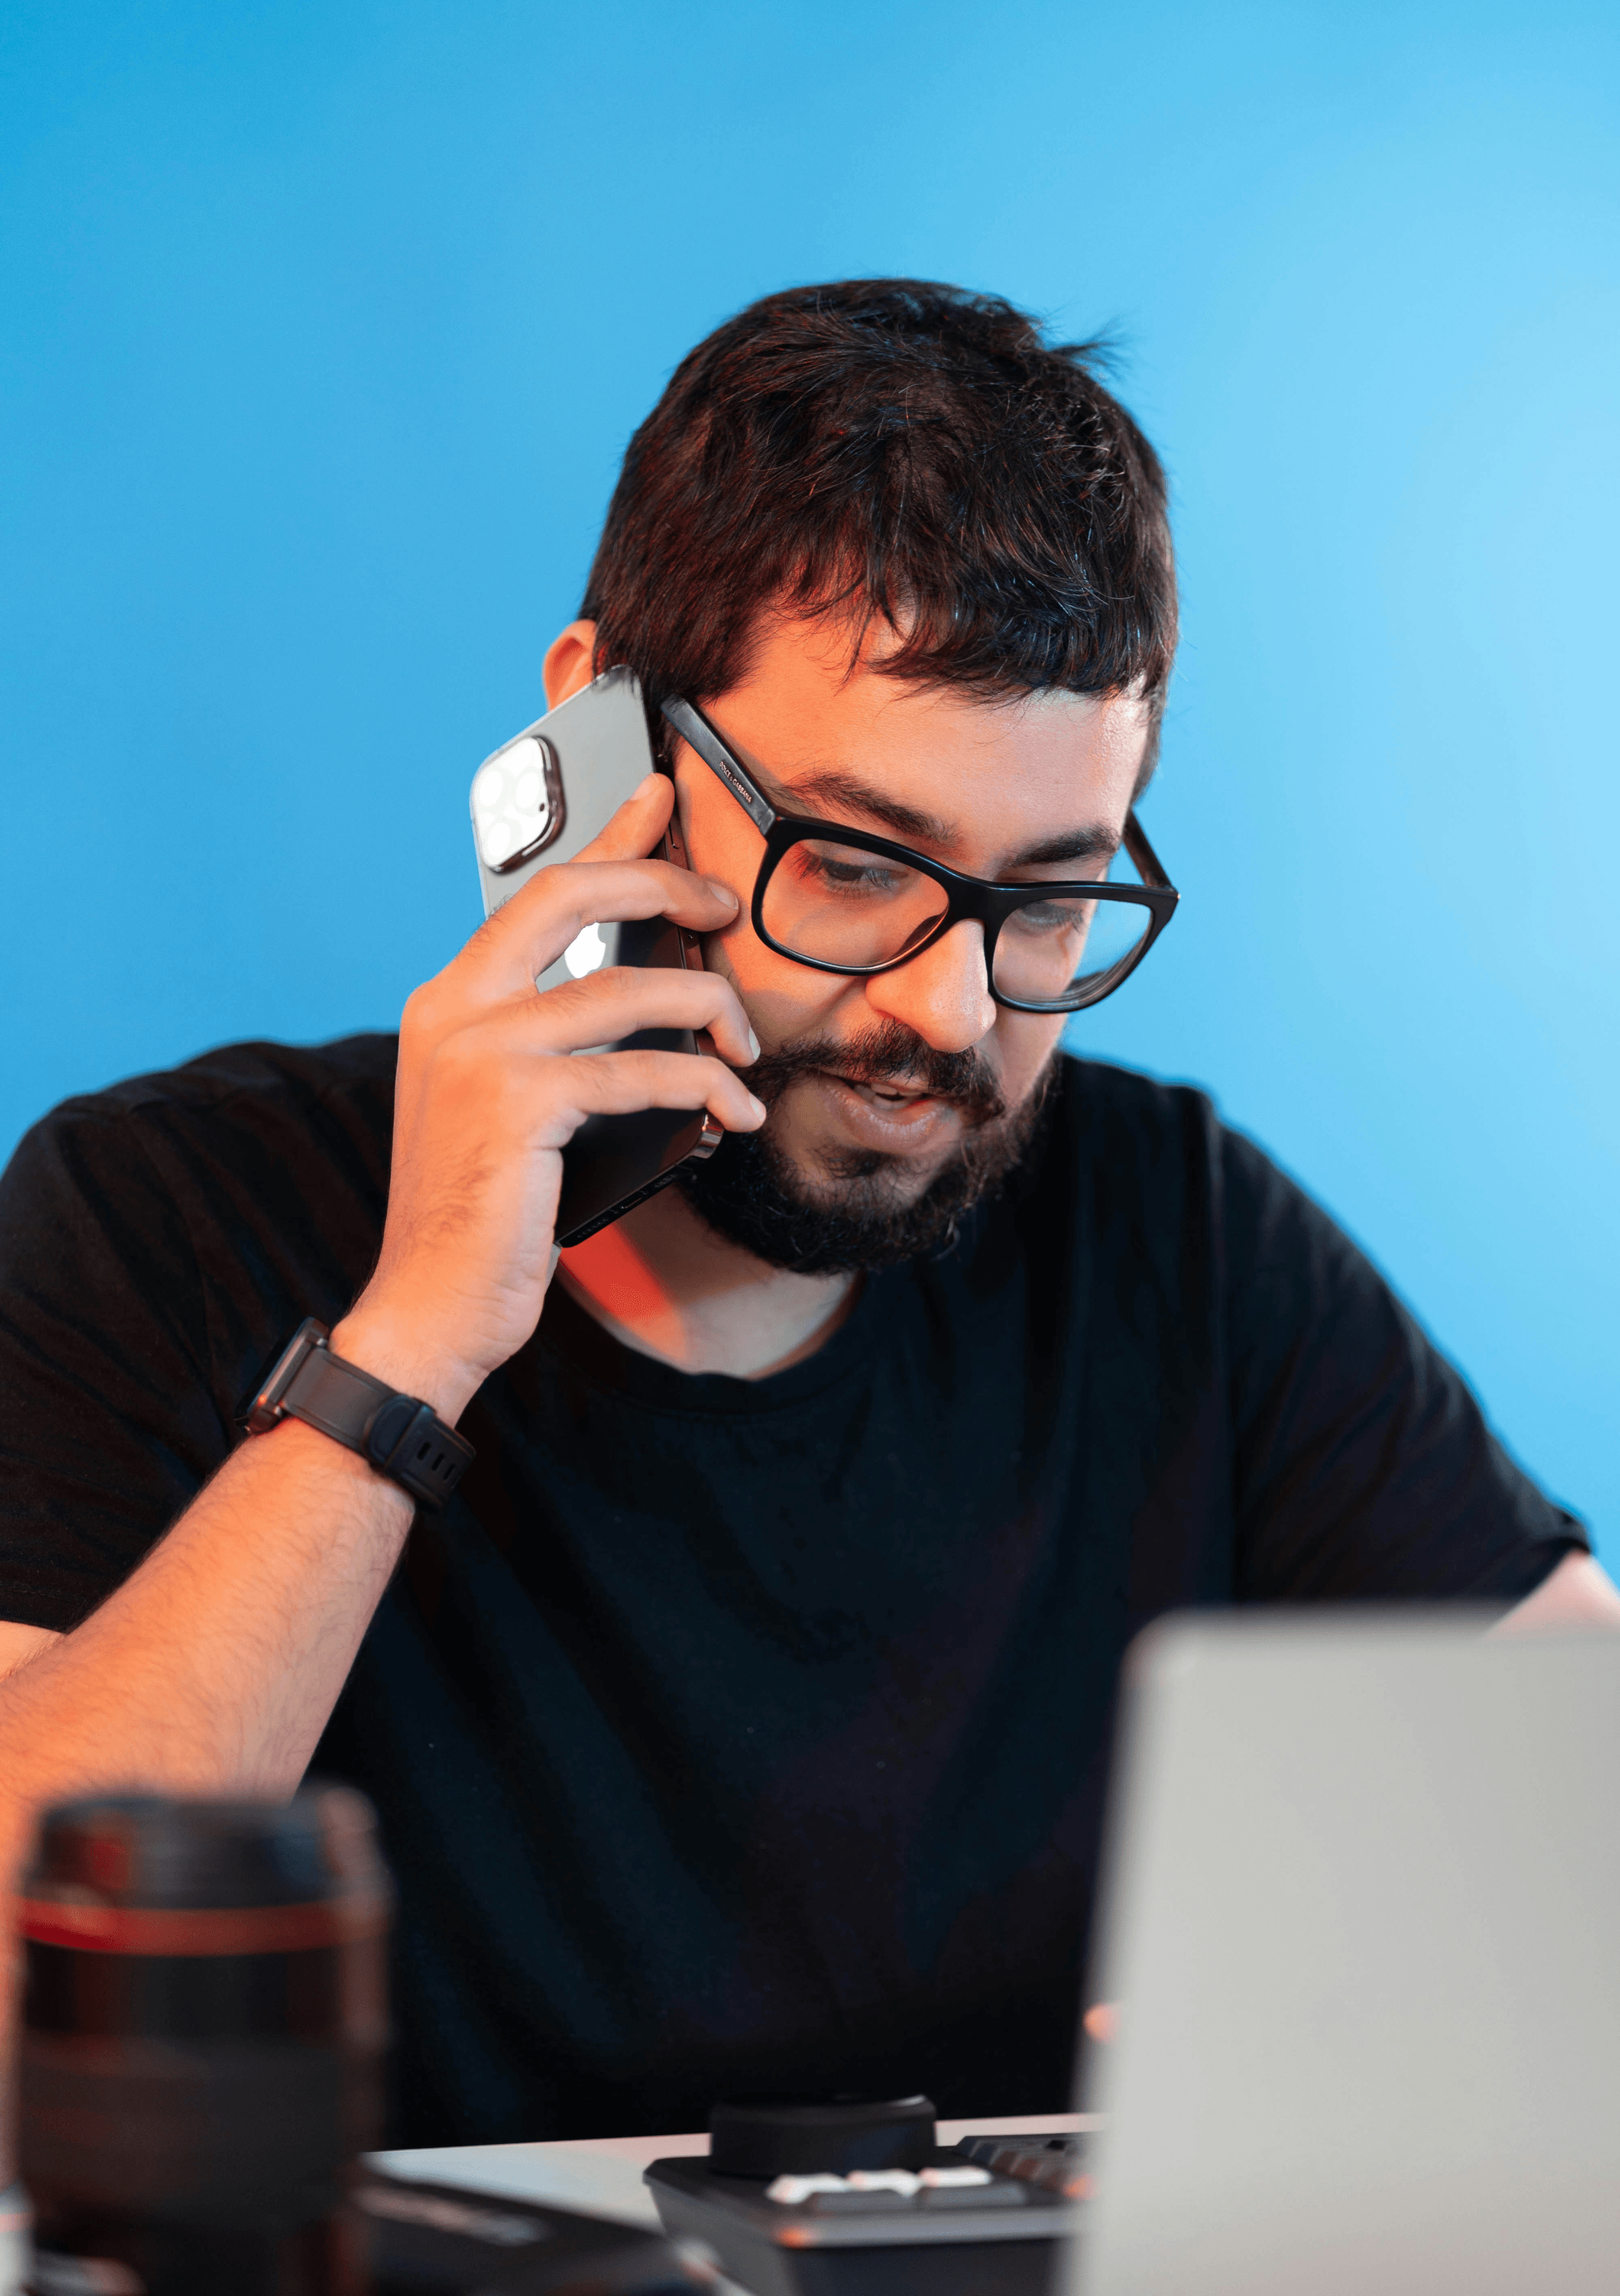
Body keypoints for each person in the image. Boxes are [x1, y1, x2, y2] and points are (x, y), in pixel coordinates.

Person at [0, 280, 1612, 2147]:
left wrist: (1377, 1992)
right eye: (847, 865)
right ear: (598, 745)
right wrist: (415, 1341)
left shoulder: (1172, 1229)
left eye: (1048, 897)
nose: (946, 1011)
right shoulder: (164, 1212)